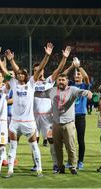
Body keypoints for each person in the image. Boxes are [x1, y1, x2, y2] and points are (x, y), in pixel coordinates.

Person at [0, 44, 43, 178]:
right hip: (15, 122)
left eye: (23, 74)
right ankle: (10, 170)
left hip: (28, 122)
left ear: (26, 75)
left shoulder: (31, 83)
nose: (20, 75)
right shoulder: (13, 82)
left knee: (34, 146)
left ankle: (39, 169)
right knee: (13, 147)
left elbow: (40, 70)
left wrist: (48, 55)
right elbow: (3, 69)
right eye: (19, 73)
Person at [37, 73, 92, 175]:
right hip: (56, 123)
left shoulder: (72, 90)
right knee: (57, 148)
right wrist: (29, 91)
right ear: (57, 81)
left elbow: (82, 92)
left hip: (68, 123)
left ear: (67, 81)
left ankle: (73, 166)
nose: (61, 82)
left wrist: (88, 93)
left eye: (63, 80)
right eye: (59, 80)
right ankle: (60, 167)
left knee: (70, 147)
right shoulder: (52, 91)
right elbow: (40, 94)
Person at [32, 44, 71, 173]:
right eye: (36, 70)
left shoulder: (49, 81)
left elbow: (59, 69)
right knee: (34, 141)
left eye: (40, 69)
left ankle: (55, 164)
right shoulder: (31, 83)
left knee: (51, 141)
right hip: (33, 117)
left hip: (47, 117)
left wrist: (64, 58)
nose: (39, 71)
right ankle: (36, 164)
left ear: (43, 70)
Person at [62, 57, 90, 170]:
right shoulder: (70, 86)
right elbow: (62, 76)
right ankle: (70, 161)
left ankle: (80, 161)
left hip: (81, 116)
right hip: (70, 116)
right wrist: (72, 67)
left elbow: (87, 77)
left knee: (80, 139)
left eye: (79, 75)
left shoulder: (84, 86)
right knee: (69, 140)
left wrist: (79, 67)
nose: (77, 76)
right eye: (76, 74)